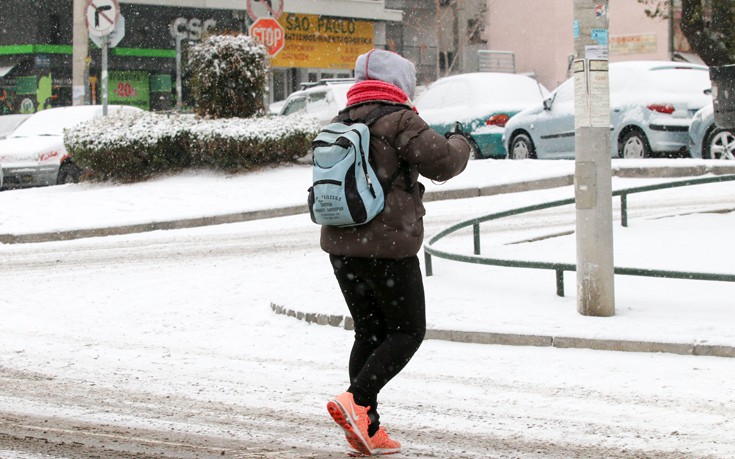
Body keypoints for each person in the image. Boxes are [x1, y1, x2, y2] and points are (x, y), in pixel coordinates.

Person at [323, 49, 472, 456]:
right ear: (400, 84)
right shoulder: (400, 118)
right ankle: (358, 399)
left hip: (341, 246)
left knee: (369, 332)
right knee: (408, 330)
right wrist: (462, 141)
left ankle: (365, 429)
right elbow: (441, 163)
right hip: (388, 248)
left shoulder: (342, 120)